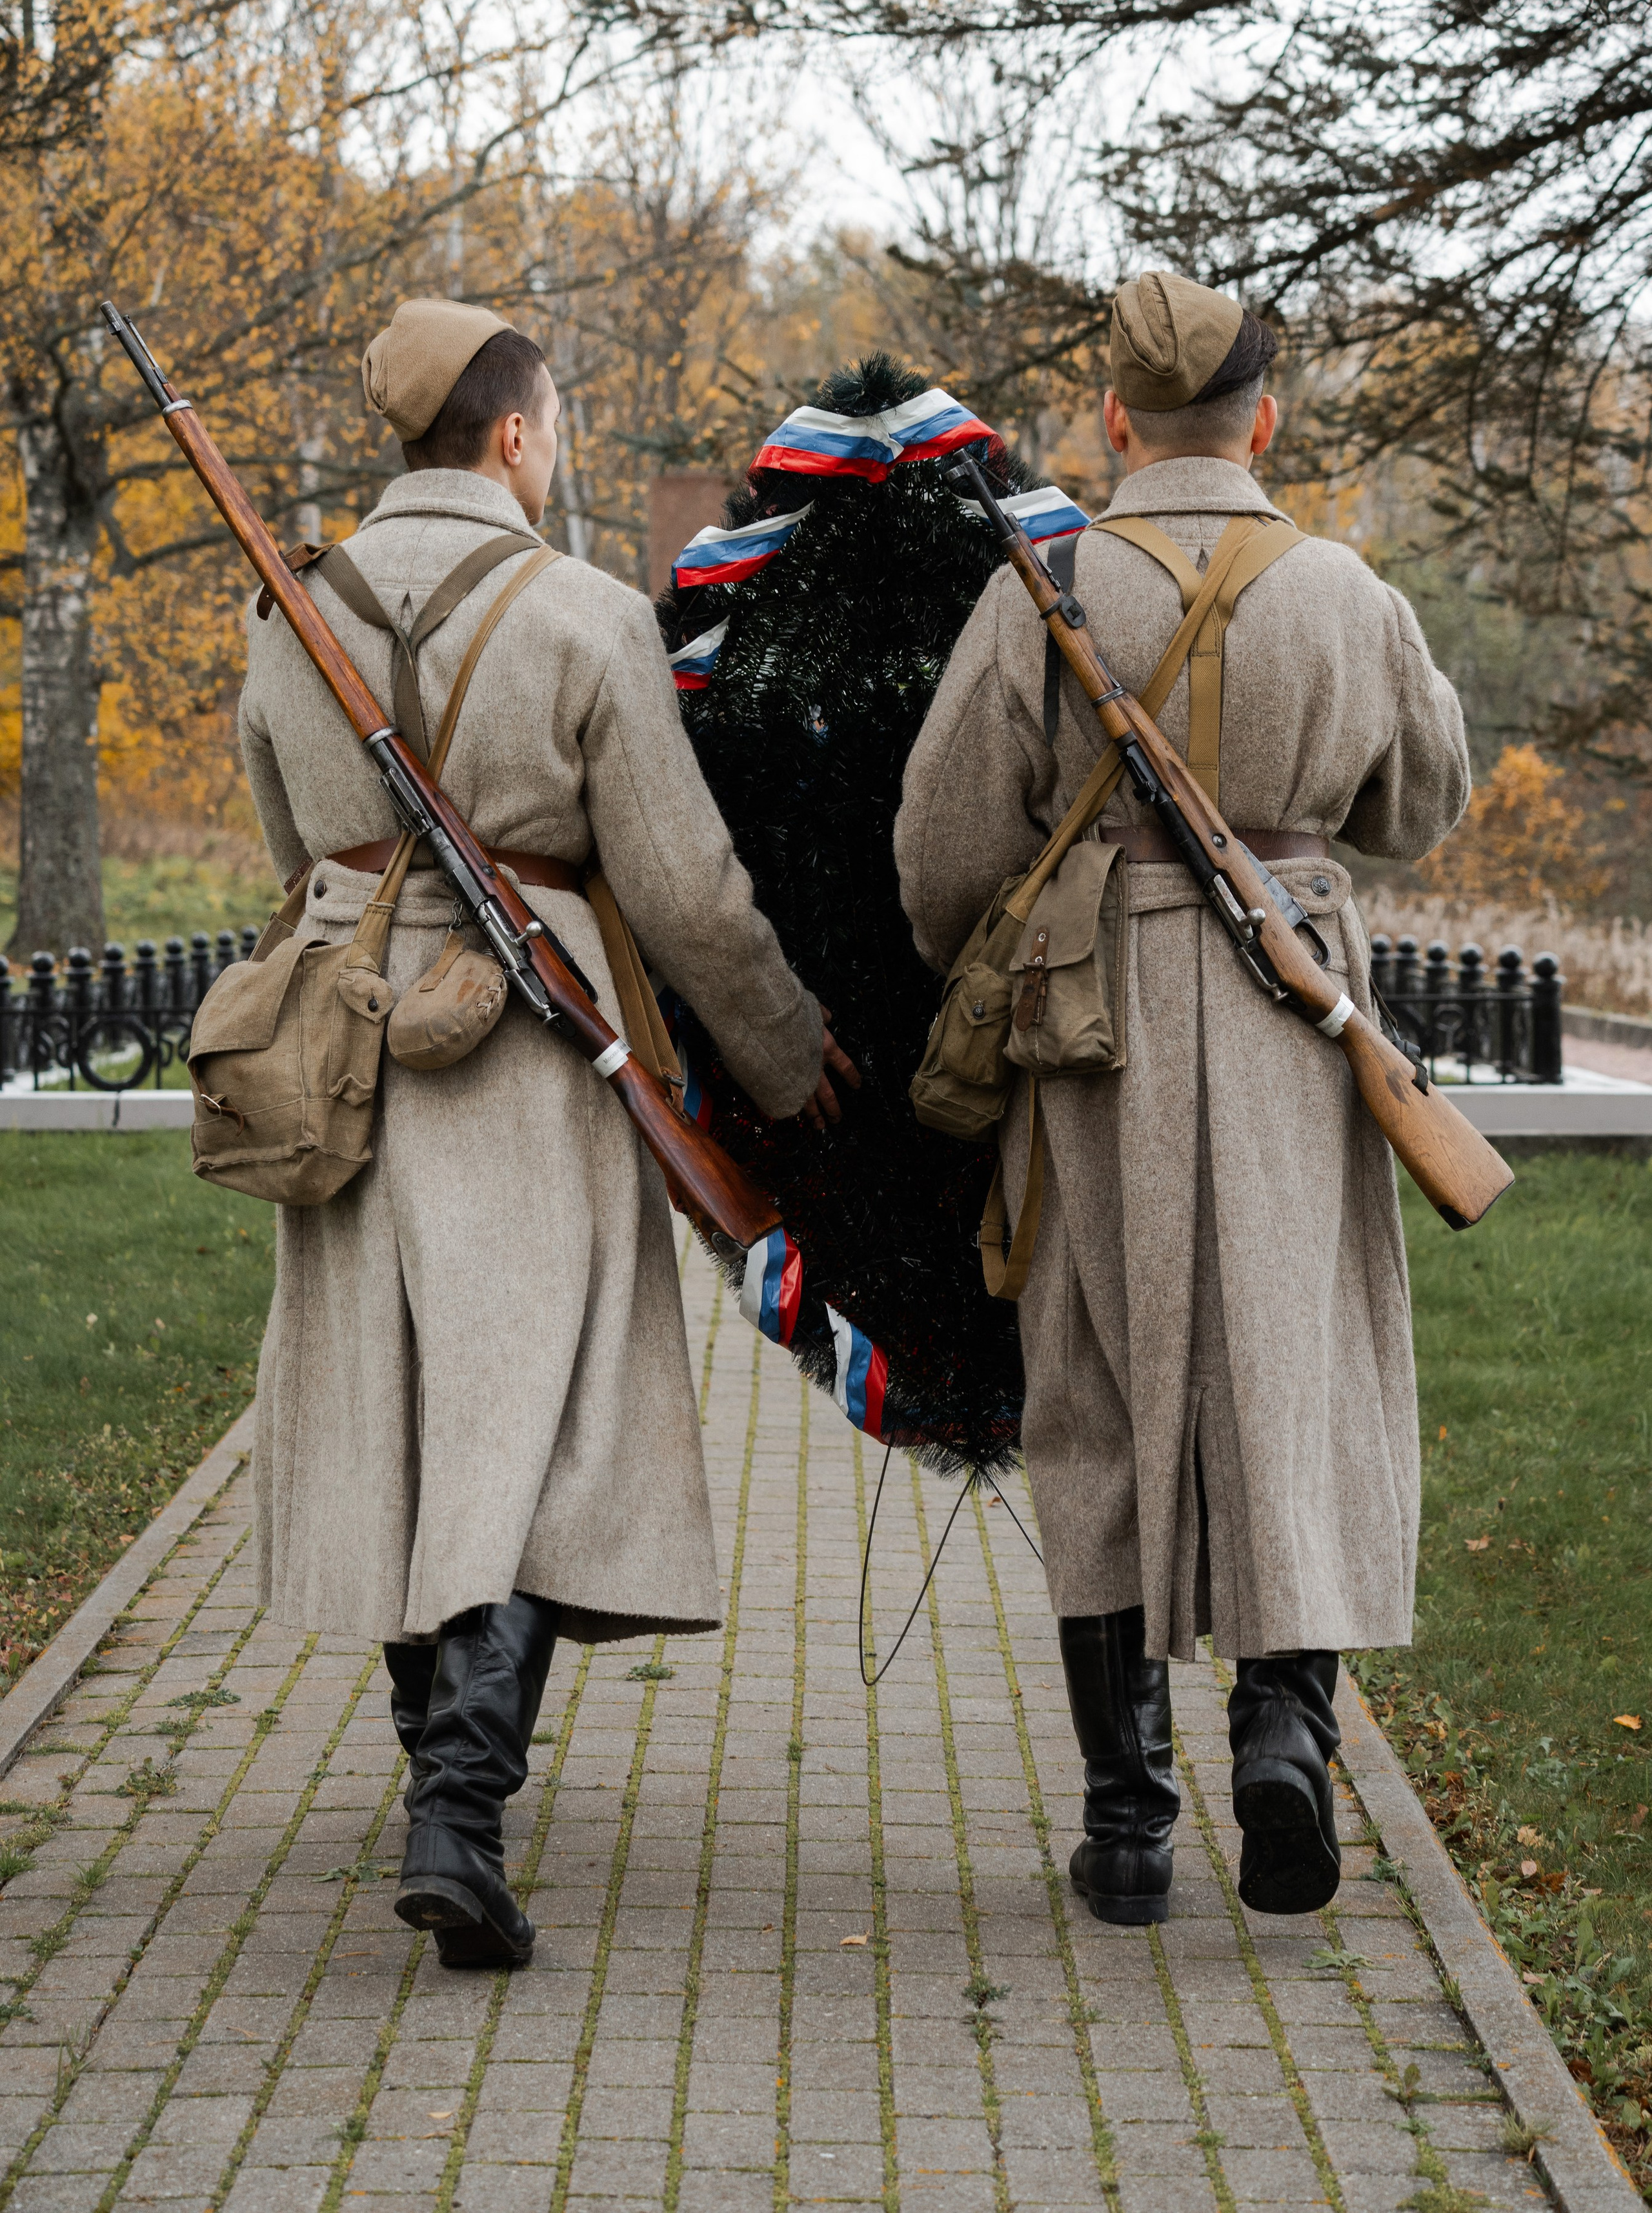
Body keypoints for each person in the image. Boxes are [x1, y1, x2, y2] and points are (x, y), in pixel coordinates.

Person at [239, 298, 854, 1970]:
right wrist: (794, 1061)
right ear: (515, 434)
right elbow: (684, 891)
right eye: (556, 415)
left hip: (351, 1041)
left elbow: (291, 840)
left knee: (411, 1412)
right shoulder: (587, 613)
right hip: (535, 1054)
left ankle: (437, 1759)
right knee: (534, 1414)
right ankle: (459, 1800)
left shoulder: (286, 615)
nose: (561, 436)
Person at [893, 270, 1471, 1924]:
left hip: (1090, 1027)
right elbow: (1412, 806)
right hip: (1301, 1010)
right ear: (1267, 421)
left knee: (1090, 1387)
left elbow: (940, 846)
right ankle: (1284, 1737)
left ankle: (1127, 1824)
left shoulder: (1044, 581)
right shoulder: (1343, 588)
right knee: (1291, 1369)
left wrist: (980, 950)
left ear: (1112, 423)